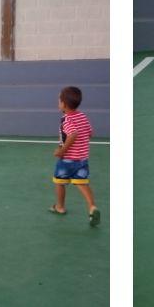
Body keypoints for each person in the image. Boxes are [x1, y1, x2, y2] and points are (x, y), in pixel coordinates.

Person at [50, 86, 100, 225]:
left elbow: (73, 134)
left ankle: (60, 207)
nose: (58, 102)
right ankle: (92, 207)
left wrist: (62, 151)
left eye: (59, 100)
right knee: (82, 183)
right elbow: (90, 133)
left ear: (64, 104)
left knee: (60, 182)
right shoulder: (82, 116)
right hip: (82, 160)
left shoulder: (66, 120)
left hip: (67, 160)